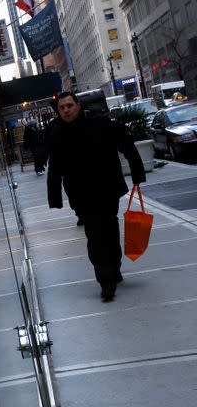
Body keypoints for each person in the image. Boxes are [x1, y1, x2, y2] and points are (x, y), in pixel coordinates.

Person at [46, 92, 146, 302]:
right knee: (95, 236)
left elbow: (125, 143)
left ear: (78, 105)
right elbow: (54, 167)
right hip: (81, 195)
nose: (66, 110)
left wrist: (137, 172)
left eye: (69, 105)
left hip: (107, 189)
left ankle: (114, 268)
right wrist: (54, 197)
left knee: (109, 229)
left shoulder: (100, 124)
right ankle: (106, 281)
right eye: (62, 107)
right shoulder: (57, 133)